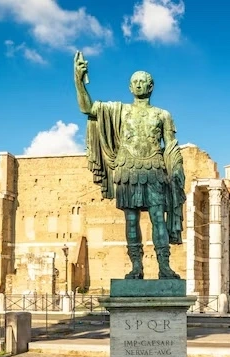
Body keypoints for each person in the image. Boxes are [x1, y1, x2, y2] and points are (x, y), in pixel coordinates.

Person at [74, 51, 186, 280]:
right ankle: (136, 267)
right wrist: (79, 81)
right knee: (131, 221)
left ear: (151, 87)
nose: (138, 85)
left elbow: (171, 145)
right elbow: (88, 109)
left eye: (143, 81)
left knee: (158, 218)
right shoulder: (120, 111)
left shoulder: (163, 115)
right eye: (135, 82)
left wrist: (176, 171)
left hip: (155, 170)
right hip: (128, 170)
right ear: (130, 87)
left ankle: (164, 266)